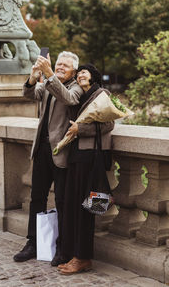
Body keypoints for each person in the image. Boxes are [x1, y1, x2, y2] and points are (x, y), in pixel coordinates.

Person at [13, 51, 83, 266]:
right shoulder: (48, 84)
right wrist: (34, 76)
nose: (61, 67)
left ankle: (62, 247)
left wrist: (50, 73)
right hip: (41, 150)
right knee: (37, 198)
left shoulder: (76, 87)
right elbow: (29, 94)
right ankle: (32, 242)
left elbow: (68, 99)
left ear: (74, 71)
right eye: (58, 64)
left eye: (65, 66)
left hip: (61, 152)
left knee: (62, 201)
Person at [58, 64, 114, 275]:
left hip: (92, 158)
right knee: (73, 206)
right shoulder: (78, 96)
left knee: (86, 209)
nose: (81, 74)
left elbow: (109, 124)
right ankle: (74, 254)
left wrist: (80, 129)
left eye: (85, 71)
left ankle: (83, 258)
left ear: (94, 76)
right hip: (76, 157)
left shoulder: (102, 94)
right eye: (79, 72)